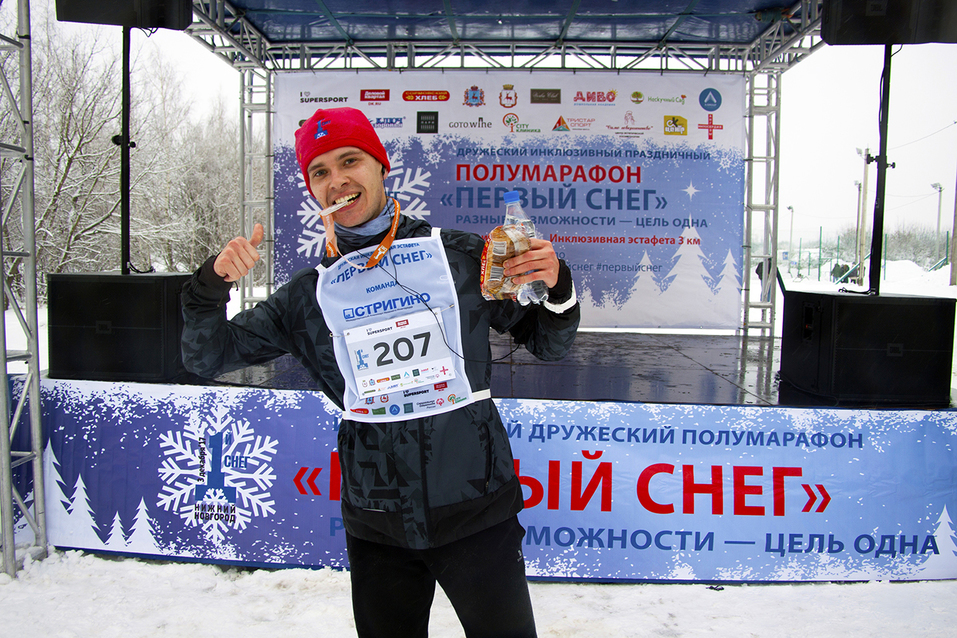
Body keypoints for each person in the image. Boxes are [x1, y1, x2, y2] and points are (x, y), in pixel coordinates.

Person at [180, 106, 580, 638]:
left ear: (380, 167)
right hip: (378, 524)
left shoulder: (460, 257)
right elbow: (207, 357)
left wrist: (558, 287)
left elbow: (547, 343)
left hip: (478, 510)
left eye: (350, 161)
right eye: (320, 171)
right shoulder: (308, 295)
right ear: (312, 189)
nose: (336, 180)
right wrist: (210, 286)